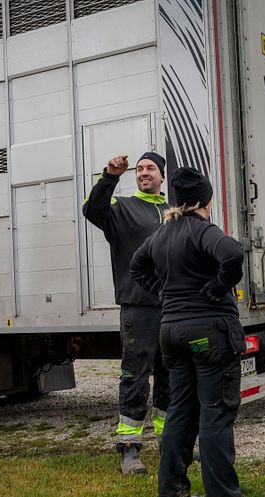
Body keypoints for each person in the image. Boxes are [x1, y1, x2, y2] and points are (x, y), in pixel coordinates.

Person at [130, 167, 245, 497]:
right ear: (206, 198)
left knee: (181, 410)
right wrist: (217, 286)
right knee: (215, 413)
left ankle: (172, 490)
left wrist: (163, 292)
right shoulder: (201, 229)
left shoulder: (161, 235)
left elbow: (137, 267)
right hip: (210, 332)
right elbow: (233, 253)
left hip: (172, 333)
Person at [82, 152, 171, 474]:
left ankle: (170, 442)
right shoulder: (121, 208)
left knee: (170, 378)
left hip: (174, 308)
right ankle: (129, 449)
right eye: (140, 169)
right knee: (135, 378)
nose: (144, 173)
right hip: (139, 308)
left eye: (151, 168)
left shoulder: (172, 211)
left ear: (163, 176)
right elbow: (92, 210)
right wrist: (109, 176)